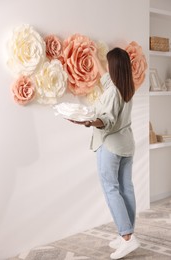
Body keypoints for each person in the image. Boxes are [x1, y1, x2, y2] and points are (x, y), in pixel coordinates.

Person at [68, 47, 140, 259]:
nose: (105, 67)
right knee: (126, 188)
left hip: (110, 146)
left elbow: (106, 121)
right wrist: (92, 55)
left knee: (111, 189)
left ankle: (127, 237)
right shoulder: (126, 87)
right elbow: (105, 78)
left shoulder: (112, 93)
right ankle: (127, 233)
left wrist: (87, 121)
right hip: (127, 145)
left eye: (108, 63)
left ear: (115, 67)